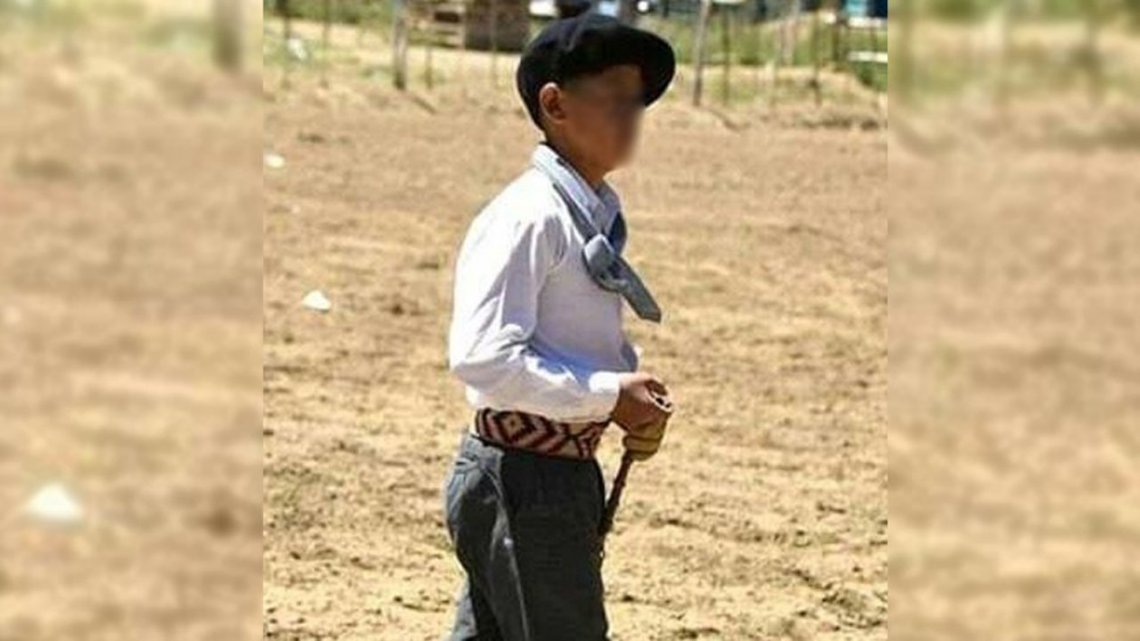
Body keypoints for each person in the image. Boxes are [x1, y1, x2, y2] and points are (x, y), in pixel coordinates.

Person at [442, 13, 676, 641]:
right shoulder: (532, 216)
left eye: (637, 101)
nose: (632, 115)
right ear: (555, 104)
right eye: (615, 96)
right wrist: (607, 396)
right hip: (528, 478)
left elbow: (570, 337)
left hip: (546, 473)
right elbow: (484, 358)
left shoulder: (585, 214)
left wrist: (626, 396)